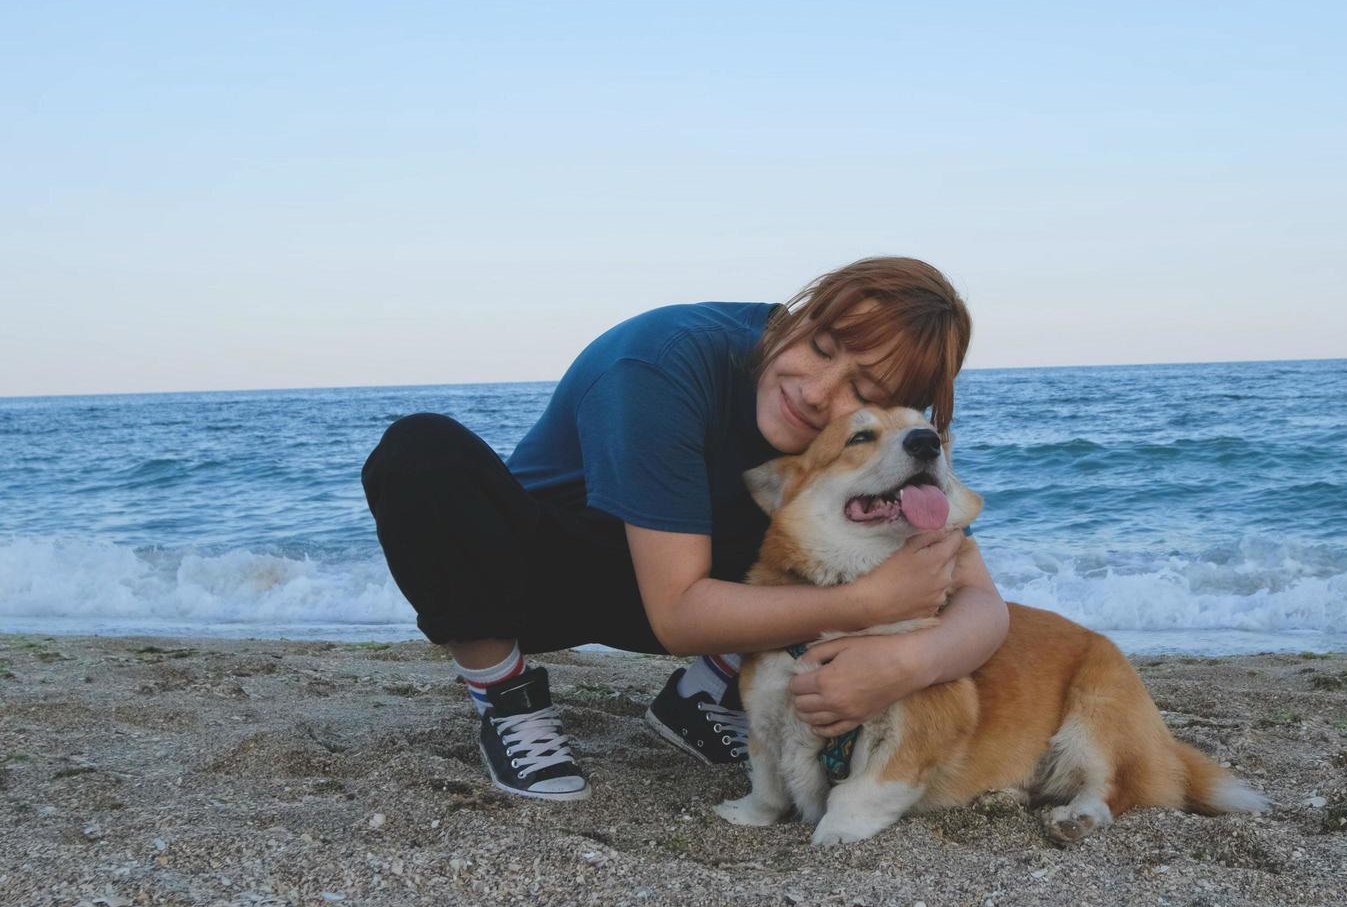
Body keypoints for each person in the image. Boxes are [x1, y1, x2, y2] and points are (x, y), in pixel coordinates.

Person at [360, 256, 1007, 800]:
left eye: (861, 389)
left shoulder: (877, 440)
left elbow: (980, 602)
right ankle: (507, 703)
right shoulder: (661, 363)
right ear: (801, 313)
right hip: (532, 579)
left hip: (701, 586)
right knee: (420, 451)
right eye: (821, 347)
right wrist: (865, 603)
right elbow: (674, 614)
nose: (816, 392)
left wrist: (905, 661)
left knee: (846, 516)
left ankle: (701, 696)